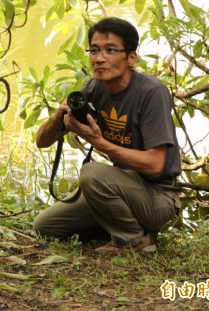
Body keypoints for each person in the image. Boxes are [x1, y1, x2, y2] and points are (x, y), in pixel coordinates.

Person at [33, 17, 181, 255]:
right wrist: (57, 117)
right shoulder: (93, 88)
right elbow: (41, 142)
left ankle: (133, 241)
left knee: (92, 172)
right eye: (94, 50)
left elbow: (155, 166)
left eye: (110, 50)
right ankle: (123, 225)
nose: (99, 58)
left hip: (158, 197)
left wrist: (98, 142)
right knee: (45, 226)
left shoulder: (152, 92)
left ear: (131, 58)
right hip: (122, 188)